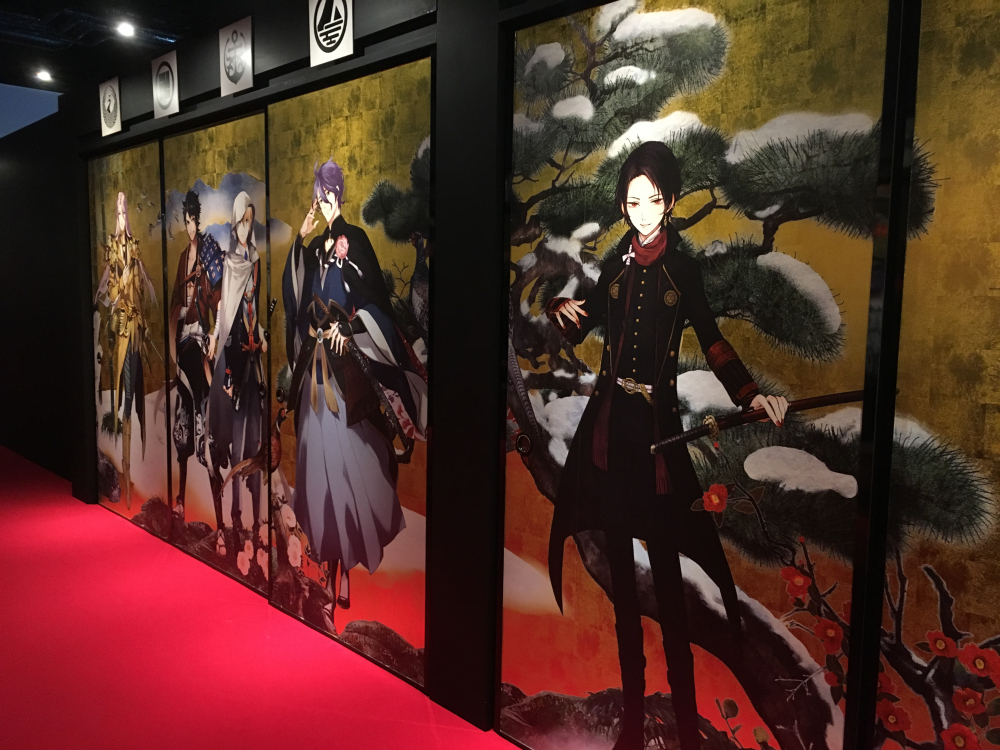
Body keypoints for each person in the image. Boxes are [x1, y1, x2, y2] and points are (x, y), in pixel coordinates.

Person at [545, 141, 788, 750]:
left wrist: (751, 394)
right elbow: (588, 318)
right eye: (632, 203)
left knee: (673, 592)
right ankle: (631, 723)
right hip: (609, 436)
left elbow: (712, 338)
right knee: (625, 596)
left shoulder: (683, 268)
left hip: (657, 437)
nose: (642, 212)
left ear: (671, 201)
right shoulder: (616, 266)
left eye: (652, 200)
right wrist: (562, 308)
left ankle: (685, 729)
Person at [283, 158, 427, 611]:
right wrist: (300, 238)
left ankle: (344, 571)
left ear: (338, 194)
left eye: (328, 193)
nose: (323, 201)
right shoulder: (315, 249)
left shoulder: (354, 240)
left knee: (347, 473)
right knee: (316, 470)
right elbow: (296, 298)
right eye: (318, 194)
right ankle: (328, 566)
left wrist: (351, 326)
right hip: (316, 373)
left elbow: (375, 300)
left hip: (344, 374)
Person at [207, 191, 267, 558]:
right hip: (232, 346)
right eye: (243, 221)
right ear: (235, 223)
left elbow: (254, 305)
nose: (247, 227)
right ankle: (232, 513)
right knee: (228, 412)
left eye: (251, 221)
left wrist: (261, 335)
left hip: (252, 347)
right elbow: (223, 308)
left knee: (256, 427)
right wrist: (216, 337)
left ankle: (257, 519)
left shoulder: (255, 261)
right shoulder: (231, 263)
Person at [95, 191, 156, 510]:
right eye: (117, 213)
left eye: (123, 212)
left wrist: (138, 318)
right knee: (124, 402)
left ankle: (132, 475)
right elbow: (108, 294)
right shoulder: (114, 256)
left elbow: (143, 293)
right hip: (121, 336)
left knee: (132, 399)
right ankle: (126, 474)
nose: (121, 217)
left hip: (134, 337)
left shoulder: (134, 252)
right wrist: (117, 298)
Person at [168, 190, 223, 522]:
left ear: (198, 220)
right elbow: (176, 299)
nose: (190, 226)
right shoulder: (181, 259)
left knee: (205, 428)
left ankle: (220, 518)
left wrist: (214, 332)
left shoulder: (209, 252)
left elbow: (218, 298)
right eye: (186, 220)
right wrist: (177, 317)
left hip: (201, 341)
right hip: (183, 343)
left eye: (193, 220)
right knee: (183, 425)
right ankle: (180, 500)